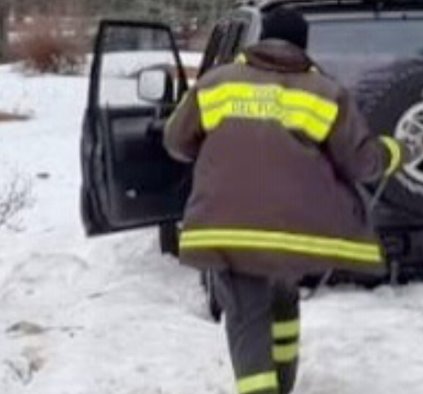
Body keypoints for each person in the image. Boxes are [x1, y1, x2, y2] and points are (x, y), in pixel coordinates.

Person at [163, 7, 404, 394]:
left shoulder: (216, 84)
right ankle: (284, 383)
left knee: (247, 320)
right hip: (295, 231)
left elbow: (176, 141)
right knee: (281, 300)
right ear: (304, 46)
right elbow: (363, 162)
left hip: (228, 227)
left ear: (261, 39)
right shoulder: (326, 92)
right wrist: (394, 152)